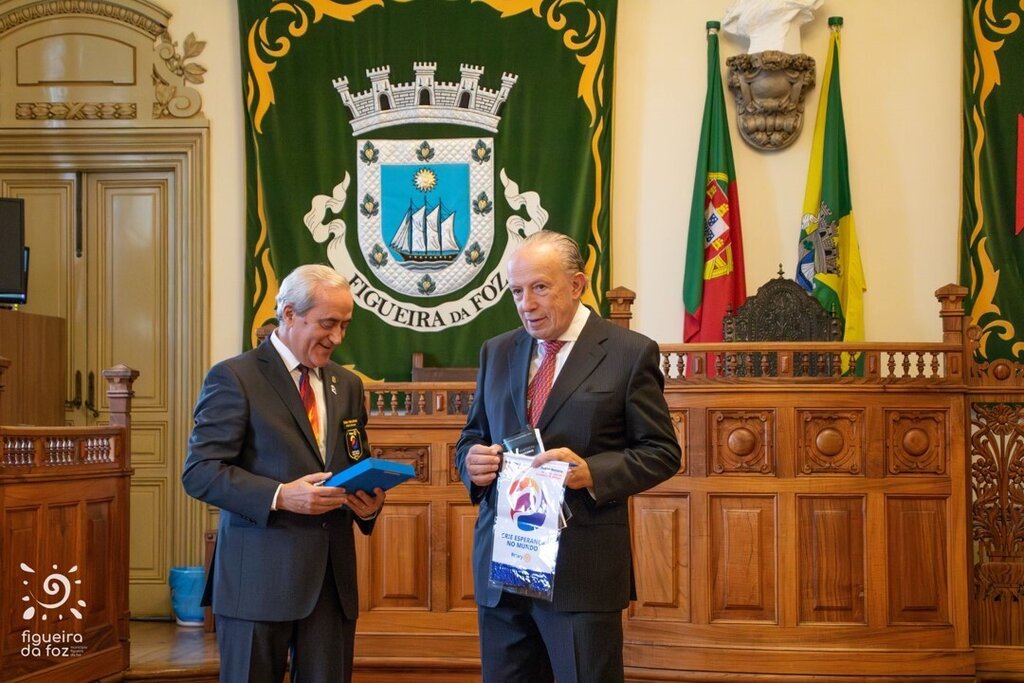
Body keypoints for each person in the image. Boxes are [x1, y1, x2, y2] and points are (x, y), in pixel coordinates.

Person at [456, 231, 681, 683]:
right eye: (516, 292)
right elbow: (473, 437)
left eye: (540, 287)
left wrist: (591, 472)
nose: (526, 304)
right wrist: (471, 464)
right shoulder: (497, 351)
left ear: (577, 285)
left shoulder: (629, 353)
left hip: (580, 571)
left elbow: (662, 451)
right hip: (505, 568)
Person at [182, 264, 385, 683]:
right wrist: (280, 495)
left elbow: (354, 460)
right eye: (328, 323)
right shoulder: (235, 377)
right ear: (289, 314)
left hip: (330, 586)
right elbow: (200, 471)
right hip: (257, 582)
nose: (337, 338)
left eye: (345, 325)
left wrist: (367, 504)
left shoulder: (347, 384)